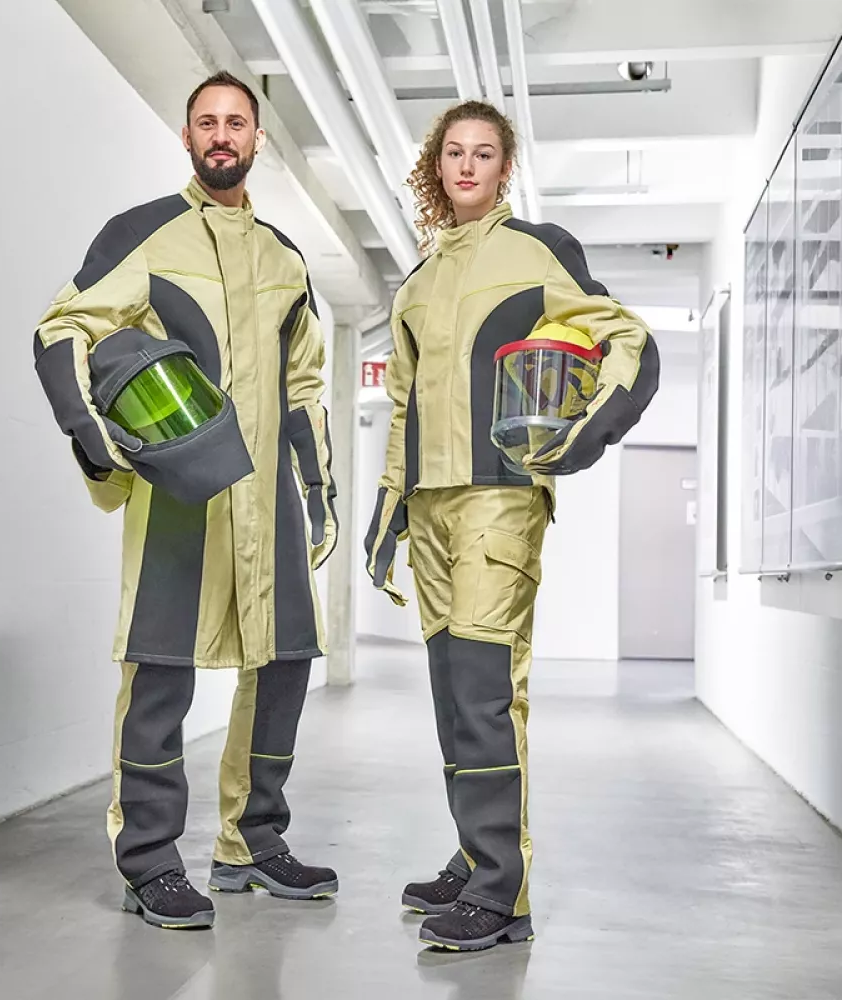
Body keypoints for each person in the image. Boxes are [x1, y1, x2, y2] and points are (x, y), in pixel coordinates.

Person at [33, 71, 339, 931]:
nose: (221, 135)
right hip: (181, 495)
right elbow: (63, 327)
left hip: (266, 497)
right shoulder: (144, 233)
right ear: (187, 136)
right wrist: (97, 440)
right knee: (161, 669)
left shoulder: (285, 256)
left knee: (282, 663)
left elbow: (307, 384)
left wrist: (317, 494)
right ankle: (150, 862)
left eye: (235, 122)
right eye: (206, 121)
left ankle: (252, 841)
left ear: (257, 140)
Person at [364, 100, 659, 952]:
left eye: (483, 153)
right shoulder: (415, 285)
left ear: (504, 168)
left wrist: (584, 433)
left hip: (499, 498)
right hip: (429, 508)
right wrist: (389, 516)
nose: (466, 166)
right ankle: (474, 852)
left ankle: (505, 892)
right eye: (453, 152)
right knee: (454, 699)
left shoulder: (538, 251)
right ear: (436, 165)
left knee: (490, 696)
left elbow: (625, 337)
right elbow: (404, 411)